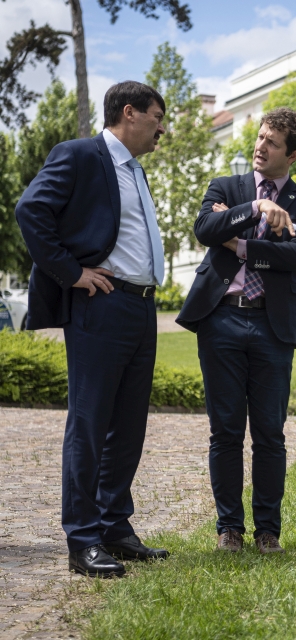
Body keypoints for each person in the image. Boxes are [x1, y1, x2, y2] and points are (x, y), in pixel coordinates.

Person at [15, 81, 170, 577]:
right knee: (89, 424)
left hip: (141, 309)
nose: (162, 128)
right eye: (157, 117)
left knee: (128, 427)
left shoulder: (136, 171)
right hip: (99, 307)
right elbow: (30, 210)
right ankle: (83, 540)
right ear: (130, 112)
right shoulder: (79, 155)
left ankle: (114, 528)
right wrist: (70, 271)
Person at [176, 108, 296, 553]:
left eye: (272, 143)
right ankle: (229, 530)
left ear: (292, 154)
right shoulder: (227, 187)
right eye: (260, 138)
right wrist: (256, 207)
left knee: (270, 434)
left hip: (271, 325)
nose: (260, 147)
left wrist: (237, 242)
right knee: (225, 431)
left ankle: (268, 532)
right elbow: (205, 228)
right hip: (220, 318)